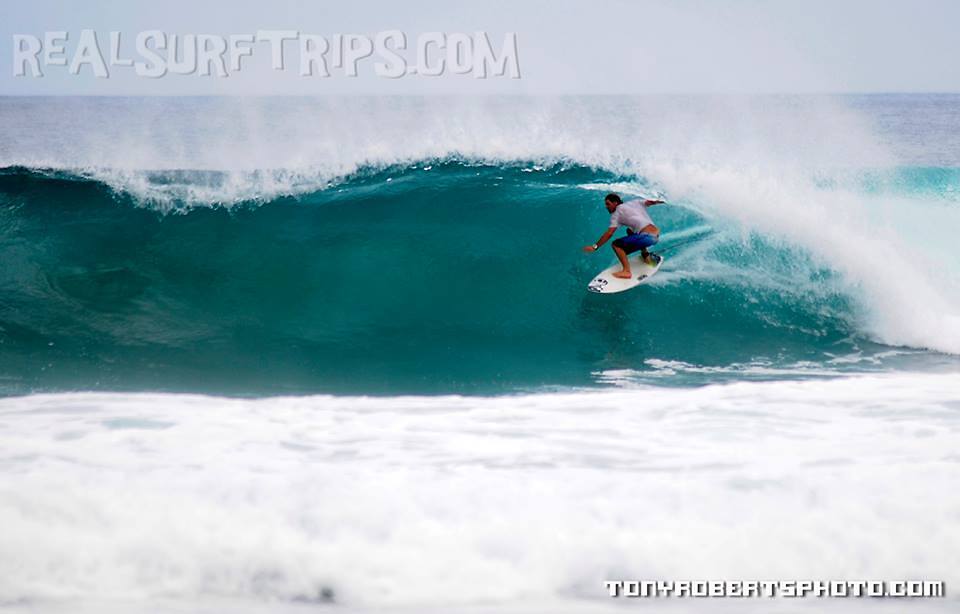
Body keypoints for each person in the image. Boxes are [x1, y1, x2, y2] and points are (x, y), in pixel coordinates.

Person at [582, 193, 665, 279]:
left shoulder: (616, 213)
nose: (606, 207)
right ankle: (646, 256)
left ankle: (626, 271)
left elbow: (609, 233)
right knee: (629, 231)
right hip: (655, 235)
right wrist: (665, 200)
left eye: (608, 204)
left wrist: (595, 247)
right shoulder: (635, 202)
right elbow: (651, 202)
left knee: (616, 245)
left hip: (647, 237)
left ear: (615, 203)